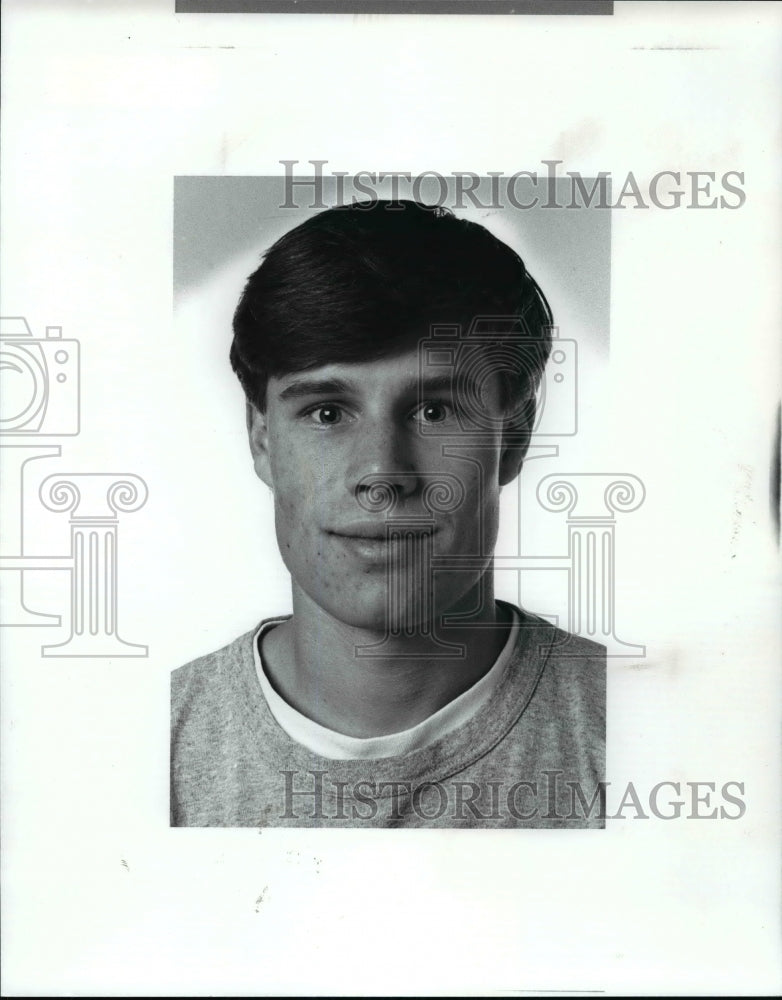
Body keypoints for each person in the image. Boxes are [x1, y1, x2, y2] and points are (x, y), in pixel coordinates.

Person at [170, 200, 605, 828]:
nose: (382, 475)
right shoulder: (134, 748)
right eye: (326, 412)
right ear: (262, 440)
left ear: (513, 439)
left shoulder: (652, 729)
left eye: (435, 412)